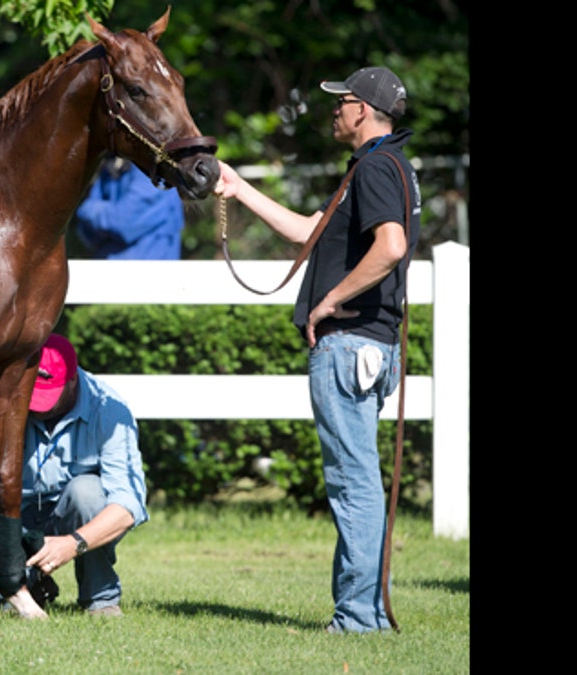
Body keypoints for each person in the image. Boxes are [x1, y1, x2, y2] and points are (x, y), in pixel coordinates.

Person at [214, 66, 421, 634]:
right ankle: (365, 612)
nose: (333, 109)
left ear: (364, 111)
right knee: (361, 481)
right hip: (372, 348)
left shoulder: (375, 167)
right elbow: (312, 230)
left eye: (342, 101)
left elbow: (391, 247)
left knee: (353, 484)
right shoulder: (382, 167)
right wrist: (239, 188)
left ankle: (358, 618)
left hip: (349, 343)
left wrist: (329, 301)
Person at [0, 333, 150, 617]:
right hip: (11, 518)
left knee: (87, 492)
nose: (35, 407)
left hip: (70, 518)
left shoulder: (111, 411)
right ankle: (10, 585)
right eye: (31, 395)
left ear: (73, 379)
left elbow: (130, 504)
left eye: (47, 397)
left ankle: (100, 598)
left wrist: (73, 543)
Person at [73, 157, 185, 259]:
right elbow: (86, 232)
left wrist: (86, 209)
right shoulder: (111, 166)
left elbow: (123, 222)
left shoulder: (155, 173)